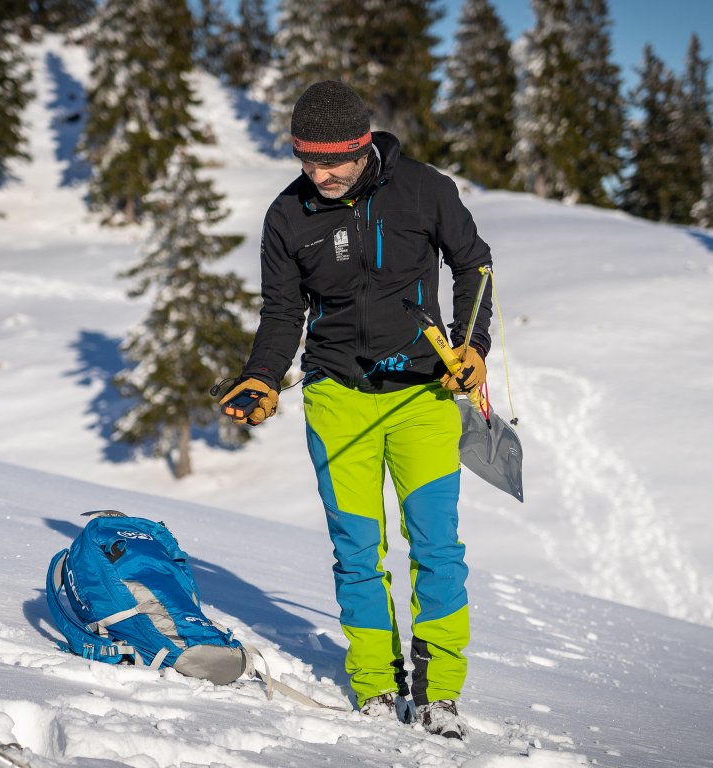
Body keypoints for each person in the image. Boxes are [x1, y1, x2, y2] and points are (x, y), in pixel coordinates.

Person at [220, 80, 493, 739]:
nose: (321, 173)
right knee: (356, 549)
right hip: (337, 395)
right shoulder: (288, 217)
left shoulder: (426, 190)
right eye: (306, 160)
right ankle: (374, 686)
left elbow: (474, 264)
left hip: (424, 395)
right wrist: (262, 377)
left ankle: (438, 693)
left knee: (436, 548)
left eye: (333, 160)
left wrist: (472, 346)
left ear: (364, 146)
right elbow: (283, 312)